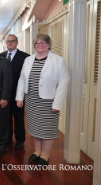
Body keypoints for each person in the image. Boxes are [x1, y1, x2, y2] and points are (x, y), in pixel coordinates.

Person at [16, 34, 69, 166]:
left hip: (48, 101)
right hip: (32, 100)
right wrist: (19, 97)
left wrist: (58, 103)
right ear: (34, 45)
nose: (40, 45)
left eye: (44, 43)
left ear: (49, 44)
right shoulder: (28, 59)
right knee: (35, 128)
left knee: (46, 129)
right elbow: (22, 79)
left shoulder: (57, 60)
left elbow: (64, 81)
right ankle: (37, 152)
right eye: (38, 43)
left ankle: (45, 155)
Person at [0, 34, 29, 149]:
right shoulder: (1, 56)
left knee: (18, 117)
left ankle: (20, 140)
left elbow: (26, 77)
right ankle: (7, 138)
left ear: (17, 42)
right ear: (6, 43)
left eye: (12, 41)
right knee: (5, 117)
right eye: (8, 41)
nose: (10, 43)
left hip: (18, 94)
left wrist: (22, 95)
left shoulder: (25, 57)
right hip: (4, 93)